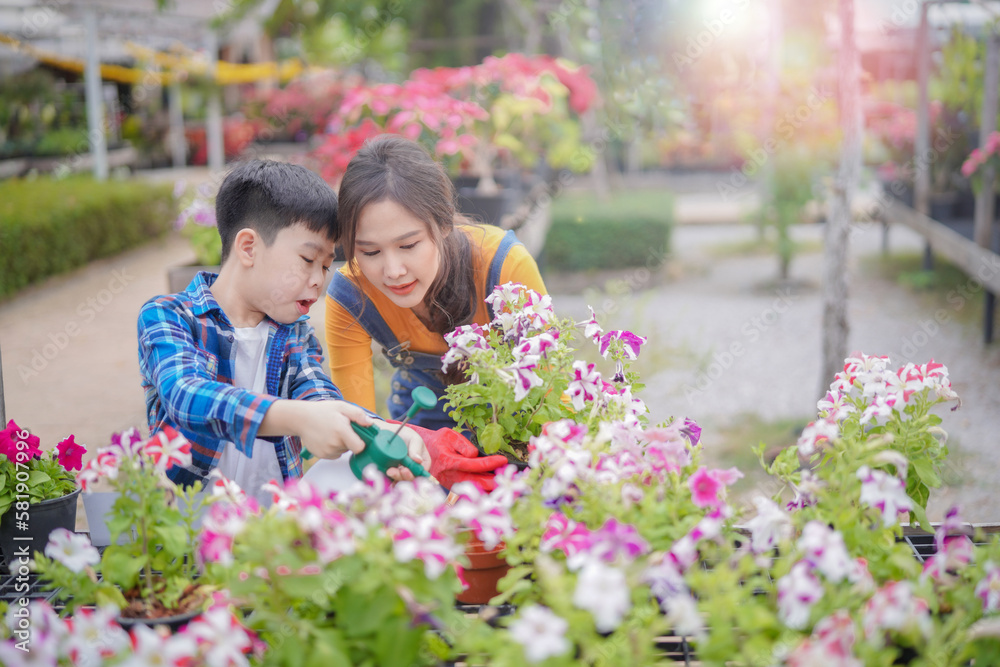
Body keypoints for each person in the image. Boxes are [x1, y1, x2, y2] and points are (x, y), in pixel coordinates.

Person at [137, 159, 428, 505]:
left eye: (325, 265)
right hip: (186, 528)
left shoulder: (293, 333)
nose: (319, 280)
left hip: (273, 529)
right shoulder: (170, 316)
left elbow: (319, 397)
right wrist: (298, 419)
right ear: (249, 247)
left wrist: (378, 430)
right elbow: (187, 397)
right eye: (308, 260)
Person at [324, 134, 547, 489]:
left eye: (408, 245)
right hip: (417, 437)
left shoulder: (504, 266)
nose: (393, 270)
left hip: (518, 428)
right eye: (369, 252)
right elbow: (358, 425)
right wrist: (421, 448)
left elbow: (548, 388)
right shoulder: (351, 295)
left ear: (444, 225)